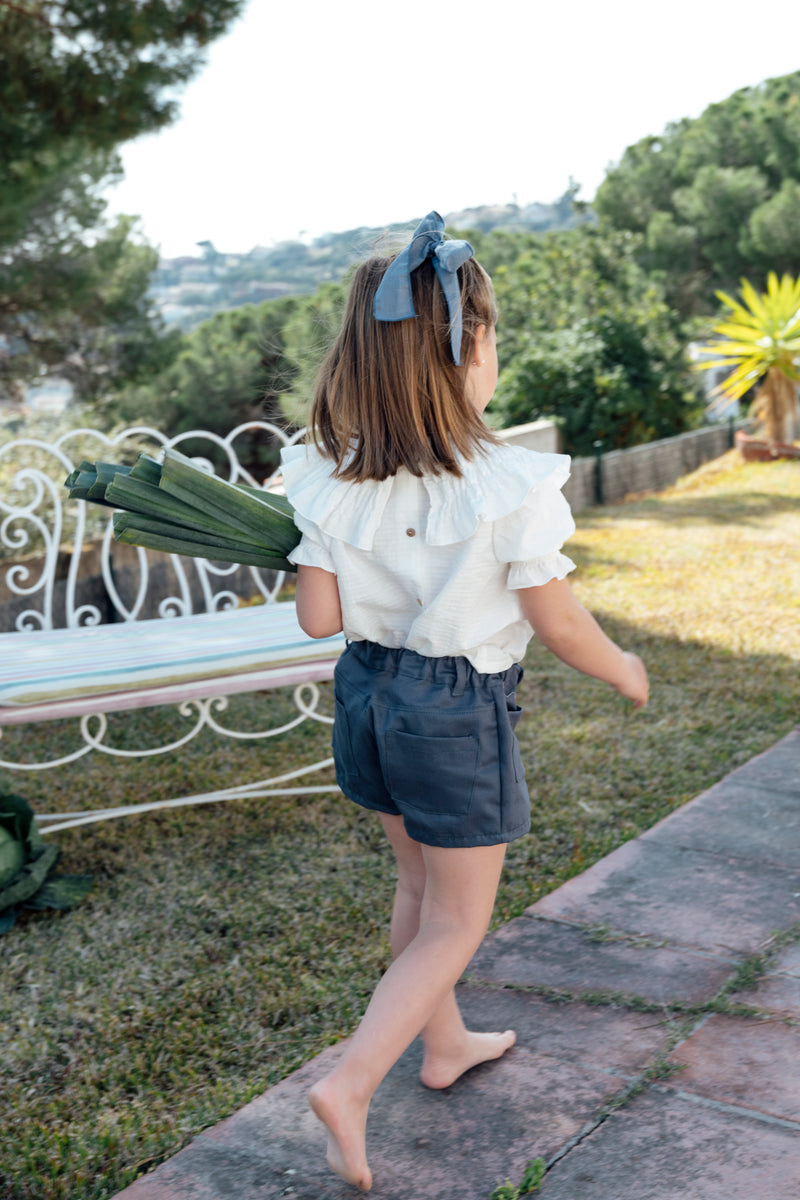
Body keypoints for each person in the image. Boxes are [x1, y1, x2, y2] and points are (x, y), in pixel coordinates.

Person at [279, 212, 648, 1191]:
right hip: (450, 713)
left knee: (416, 889)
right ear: (468, 352)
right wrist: (620, 669)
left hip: (364, 698)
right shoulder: (507, 484)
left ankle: (443, 1047)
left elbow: (318, 617)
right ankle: (351, 1083)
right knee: (455, 919)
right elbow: (560, 624)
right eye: (490, 340)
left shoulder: (325, 475)